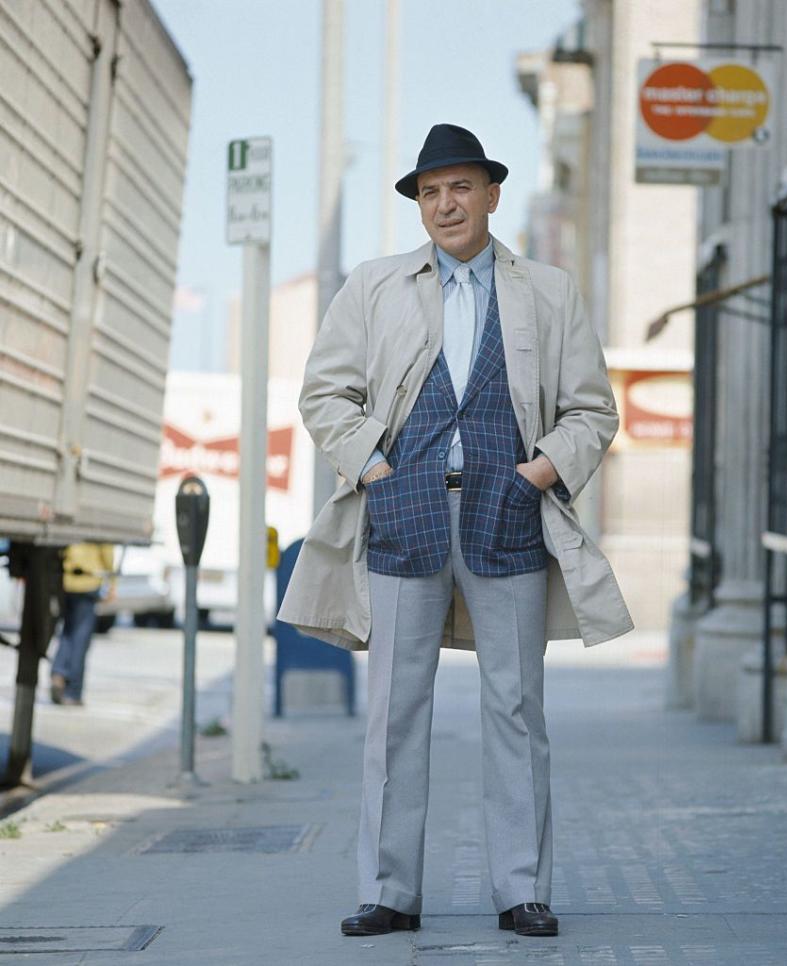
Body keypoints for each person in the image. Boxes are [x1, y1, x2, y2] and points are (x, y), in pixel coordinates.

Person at [277, 124, 633, 938]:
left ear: (491, 195)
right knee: (395, 713)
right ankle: (389, 892)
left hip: (508, 512)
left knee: (515, 708)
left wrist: (535, 474)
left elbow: (592, 409)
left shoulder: (548, 289)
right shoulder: (373, 287)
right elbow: (325, 394)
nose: (446, 204)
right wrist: (375, 470)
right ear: (419, 203)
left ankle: (522, 889)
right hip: (402, 509)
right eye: (431, 192)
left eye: (461, 188)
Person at [49, 543, 115, 706]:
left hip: (67, 580)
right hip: (88, 581)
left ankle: (58, 673)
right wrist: (112, 583)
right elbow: (107, 552)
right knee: (81, 638)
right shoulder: (97, 522)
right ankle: (73, 692)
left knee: (67, 631)